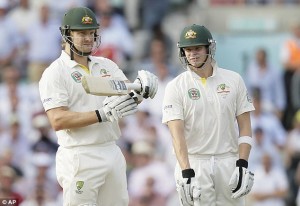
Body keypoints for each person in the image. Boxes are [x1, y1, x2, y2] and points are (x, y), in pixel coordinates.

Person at [38, 6, 158, 206]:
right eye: (81, 33)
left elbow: (127, 98)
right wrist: (101, 114)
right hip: (80, 154)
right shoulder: (55, 73)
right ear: (67, 34)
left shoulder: (106, 65)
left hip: (111, 149)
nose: (88, 38)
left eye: (92, 33)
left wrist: (142, 90)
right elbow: (57, 120)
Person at [162, 24, 255, 206]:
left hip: (228, 161)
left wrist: (242, 164)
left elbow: (245, 127)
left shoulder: (234, 80)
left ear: (209, 48)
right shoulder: (176, 86)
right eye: (187, 49)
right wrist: (186, 172)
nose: (192, 54)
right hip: (196, 163)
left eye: (197, 48)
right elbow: (177, 135)